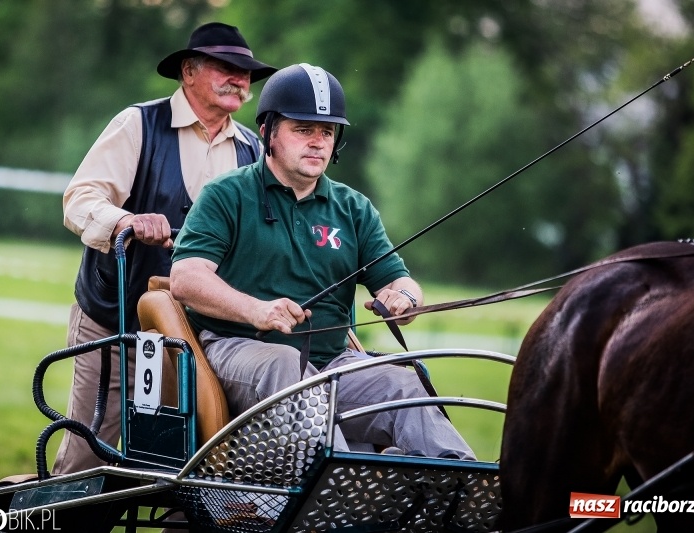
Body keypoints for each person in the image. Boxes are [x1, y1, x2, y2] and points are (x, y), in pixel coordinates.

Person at [170, 63, 476, 460]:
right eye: (303, 130)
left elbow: (398, 280)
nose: (317, 142)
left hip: (333, 362)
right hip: (238, 351)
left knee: (403, 382)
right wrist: (255, 310)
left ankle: (465, 490)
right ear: (268, 133)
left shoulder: (353, 208)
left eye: (327, 132)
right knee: (285, 364)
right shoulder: (227, 194)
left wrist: (403, 299)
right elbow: (185, 278)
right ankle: (343, 484)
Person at [54, 22, 277, 475]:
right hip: (116, 326)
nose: (241, 79)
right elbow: (80, 199)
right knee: (88, 458)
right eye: (227, 68)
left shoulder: (254, 150)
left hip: (200, 339)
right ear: (188, 71)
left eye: (247, 72)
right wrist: (126, 220)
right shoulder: (138, 123)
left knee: (191, 470)